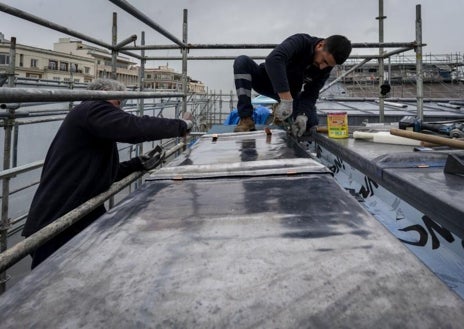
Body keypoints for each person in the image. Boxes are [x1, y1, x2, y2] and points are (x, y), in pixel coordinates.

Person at [22, 78, 193, 269]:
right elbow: (132, 126)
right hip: (58, 220)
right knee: (47, 284)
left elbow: (104, 173)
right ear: (102, 94)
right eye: (118, 103)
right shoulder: (91, 108)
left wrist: (137, 164)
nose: (119, 111)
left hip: (77, 211)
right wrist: (181, 125)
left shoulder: (88, 120)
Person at [233, 34, 352, 137]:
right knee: (242, 62)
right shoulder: (301, 41)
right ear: (320, 45)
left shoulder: (325, 68)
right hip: (265, 81)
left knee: (310, 122)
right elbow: (273, 60)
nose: (322, 67)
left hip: (291, 94)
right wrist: (286, 99)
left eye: (328, 65)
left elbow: (311, 94)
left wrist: (303, 115)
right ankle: (246, 119)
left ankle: (287, 124)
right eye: (324, 61)